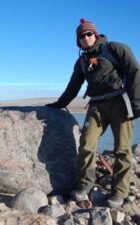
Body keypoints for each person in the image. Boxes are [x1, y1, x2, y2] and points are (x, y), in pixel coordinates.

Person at [46, 18, 140, 208]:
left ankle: (119, 193)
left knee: (122, 149)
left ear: (95, 34)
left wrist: (137, 103)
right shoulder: (82, 61)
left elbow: (134, 71)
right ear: (78, 40)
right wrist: (58, 104)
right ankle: (85, 184)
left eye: (89, 33)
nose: (86, 37)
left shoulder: (114, 48)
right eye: (82, 35)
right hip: (97, 105)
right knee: (87, 143)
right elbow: (73, 86)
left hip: (120, 102)